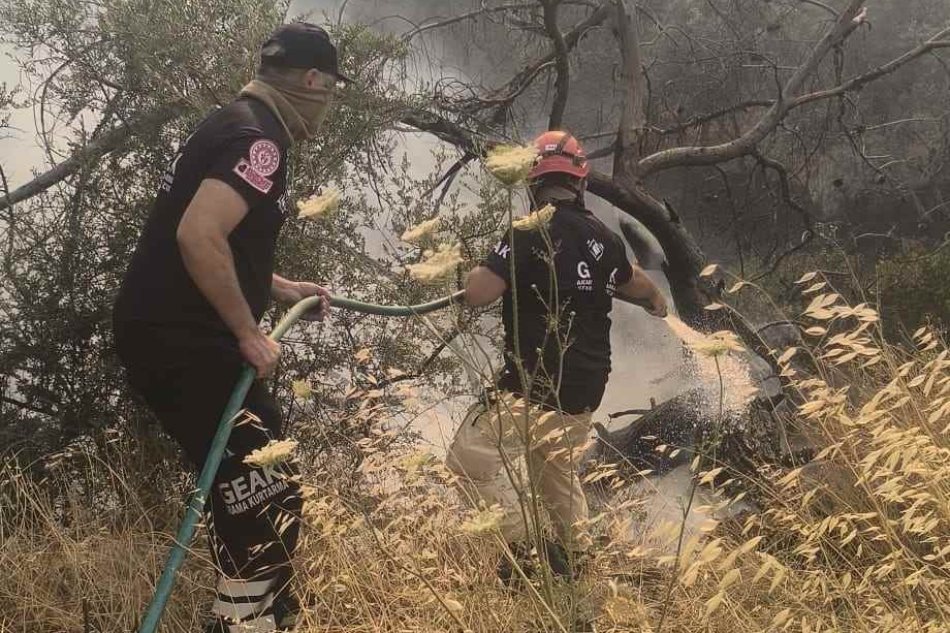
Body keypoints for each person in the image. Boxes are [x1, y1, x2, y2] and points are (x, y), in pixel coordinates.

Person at [112, 23, 349, 633]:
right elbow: (198, 235)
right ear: (313, 80)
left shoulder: (232, 120)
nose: (329, 104)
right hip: (187, 340)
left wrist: (278, 286)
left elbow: (217, 234)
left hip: (164, 331)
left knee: (248, 482)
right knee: (267, 486)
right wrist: (248, 331)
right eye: (331, 90)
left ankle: (250, 616)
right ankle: (248, 624)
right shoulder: (258, 139)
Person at [446, 131, 668, 581]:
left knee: (467, 459)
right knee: (557, 473)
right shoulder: (604, 239)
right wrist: (656, 302)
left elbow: (479, 292)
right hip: (583, 389)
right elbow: (638, 286)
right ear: (580, 182)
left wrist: (473, 270)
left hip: (533, 385)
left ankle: (523, 551)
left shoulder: (528, 232)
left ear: (533, 182)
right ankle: (577, 561)